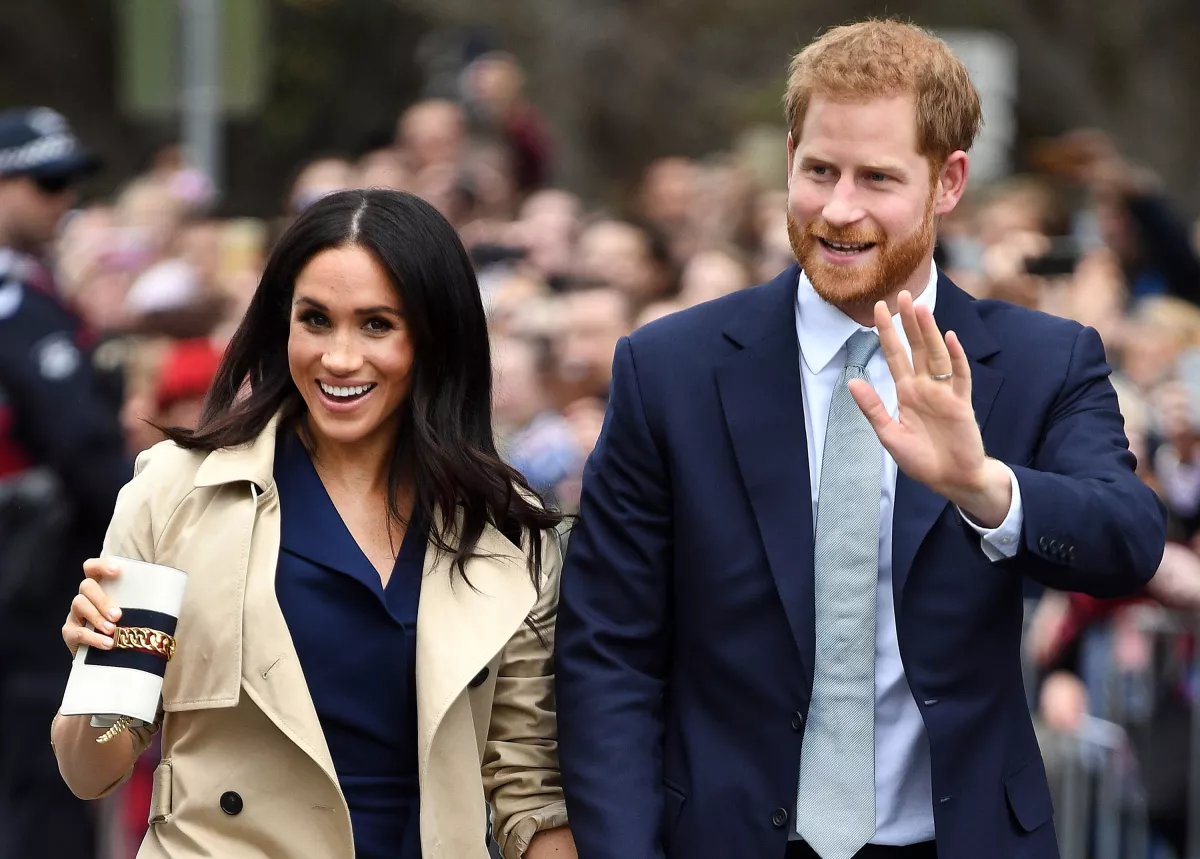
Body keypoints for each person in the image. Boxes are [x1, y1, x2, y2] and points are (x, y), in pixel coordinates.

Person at [554, 20, 1167, 859]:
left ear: (948, 182)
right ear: (790, 158)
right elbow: (608, 650)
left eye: (877, 178)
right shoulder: (669, 369)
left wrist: (985, 486)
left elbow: (1126, 539)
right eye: (818, 171)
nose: (839, 210)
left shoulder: (1041, 362)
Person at [54, 189, 577, 859]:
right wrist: (107, 684)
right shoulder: (174, 493)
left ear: (433, 336)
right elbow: (90, 768)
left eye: (377, 324)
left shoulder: (506, 528)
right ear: (283, 325)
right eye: (316, 319)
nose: (338, 357)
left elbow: (529, 792)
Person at [0, 106, 131, 859]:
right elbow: (82, 449)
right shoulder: (20, 309)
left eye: (70, 185)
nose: (62, 201)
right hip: (33, 584)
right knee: (44, 795)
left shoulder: (39, 294)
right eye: (46, 183)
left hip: (38, 575)